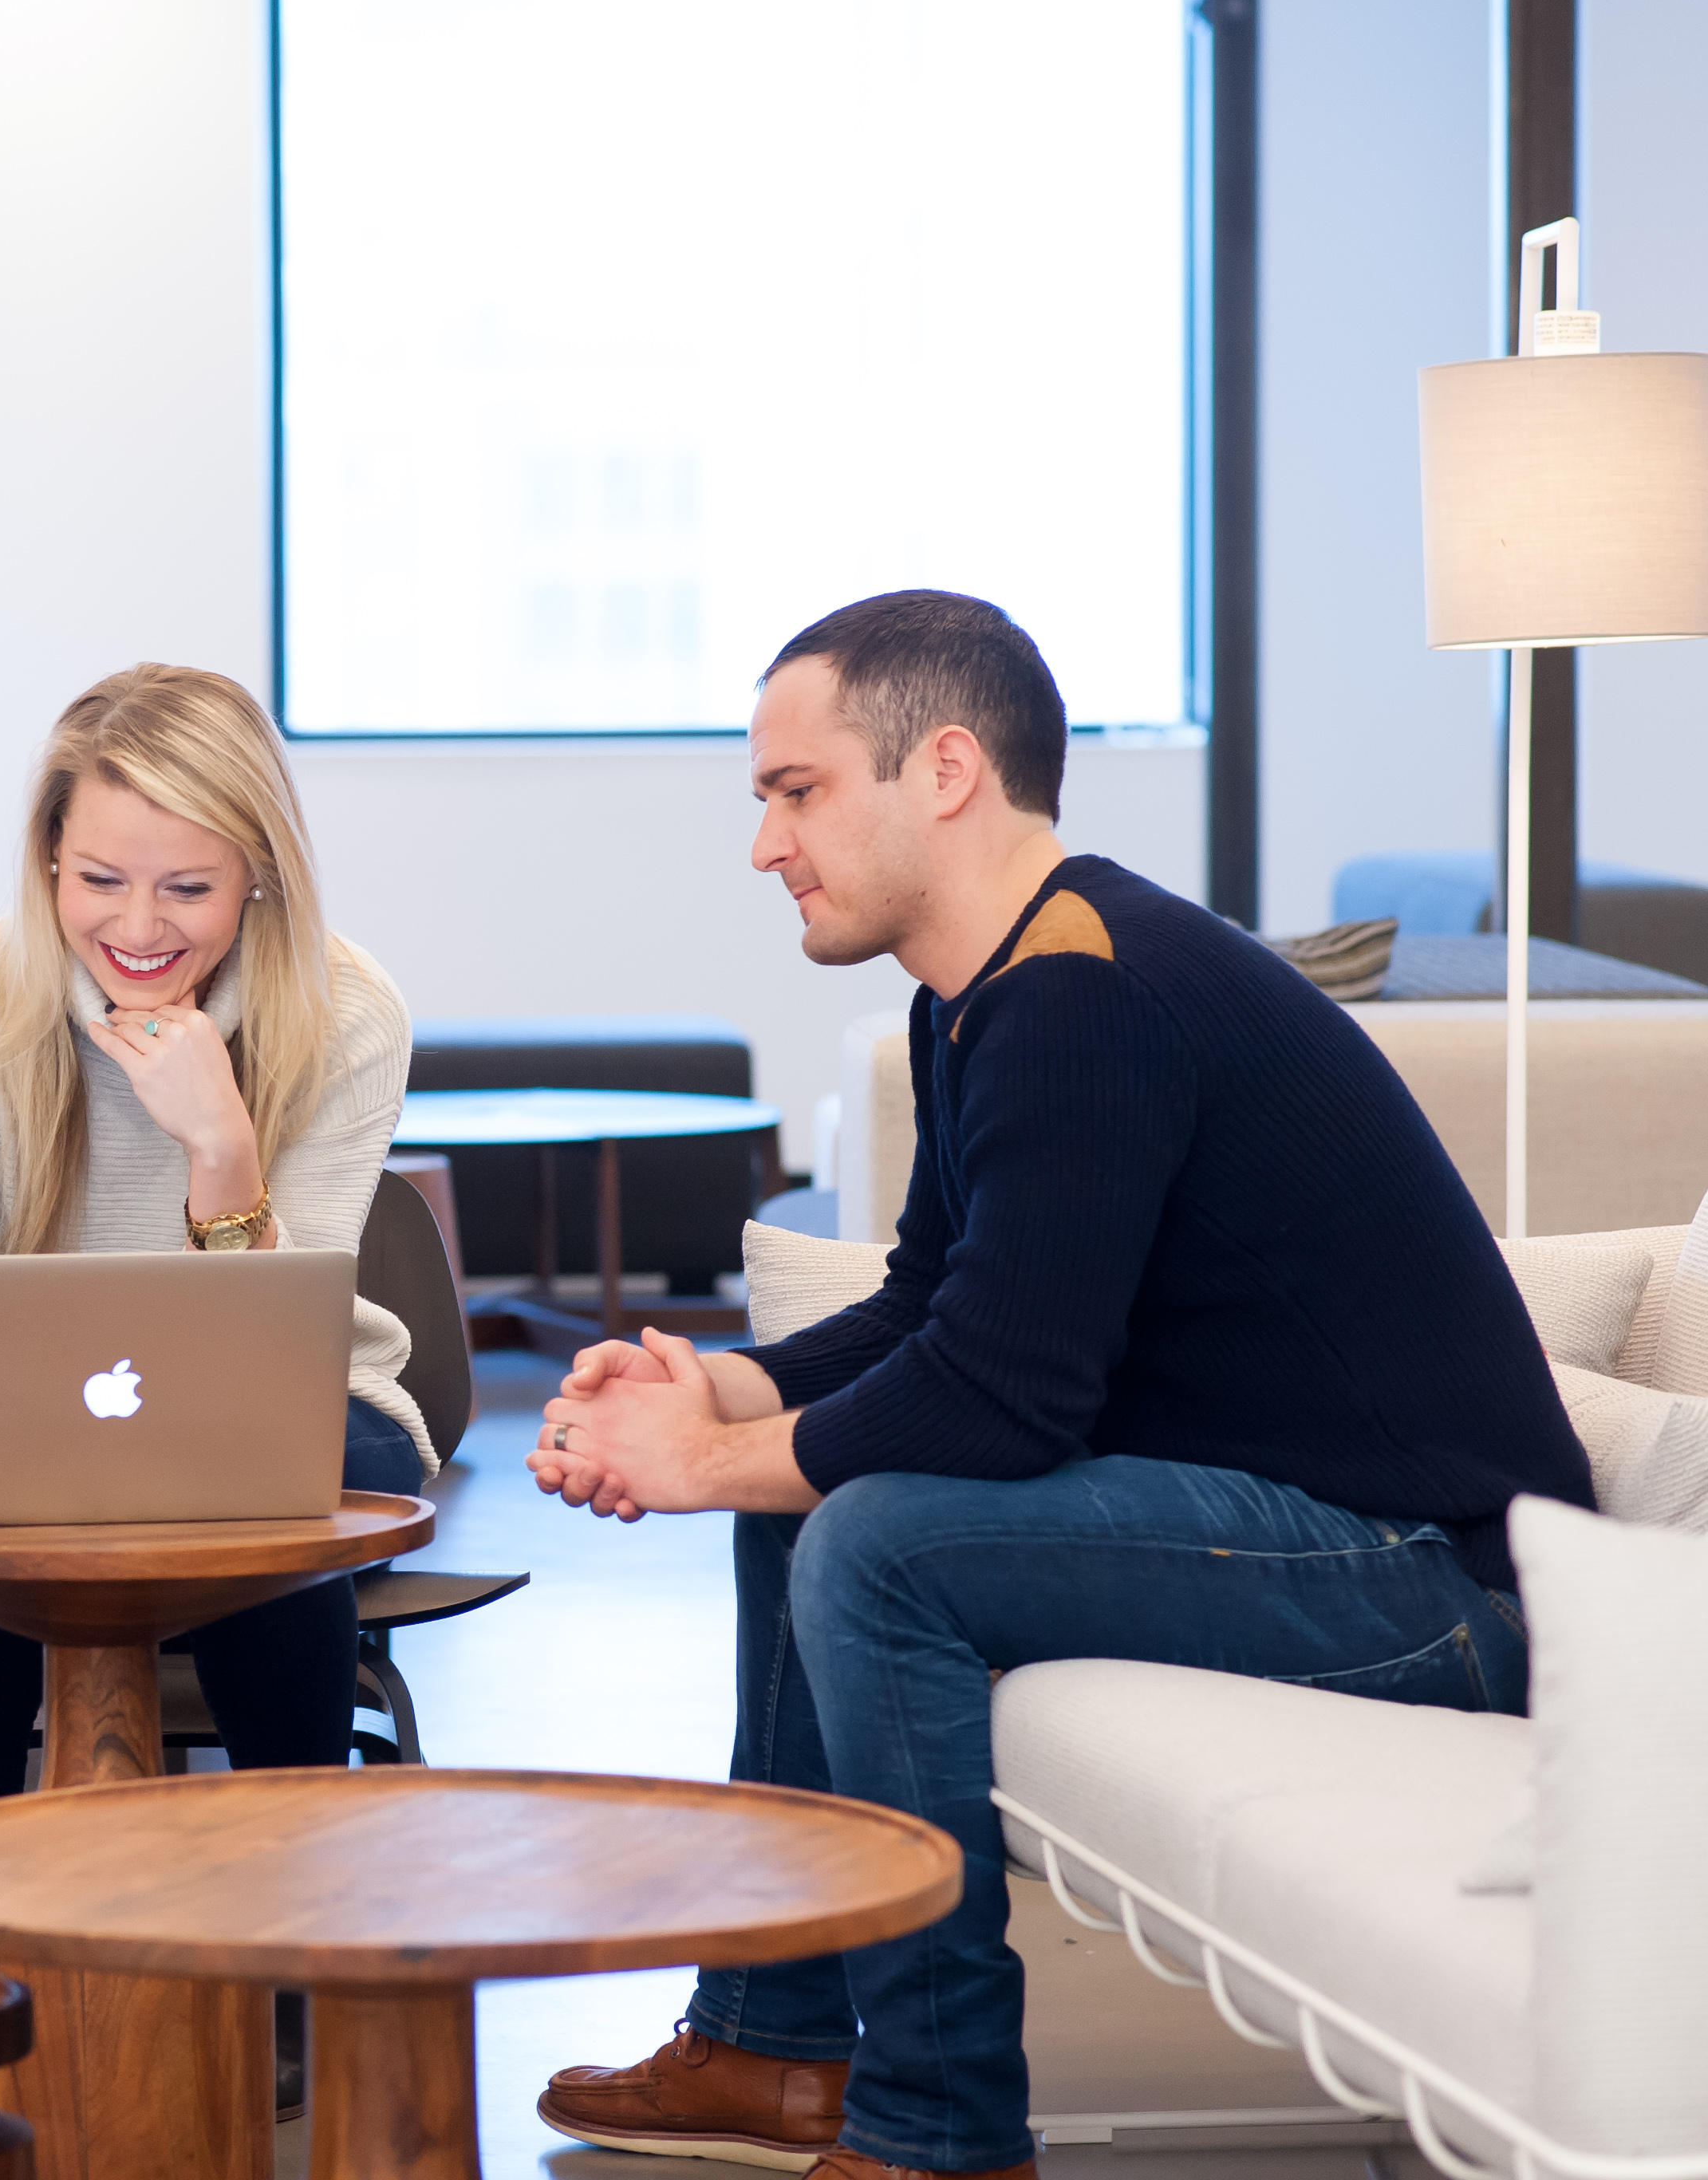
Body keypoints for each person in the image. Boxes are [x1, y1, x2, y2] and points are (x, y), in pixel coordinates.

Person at [526, 589, 1592, 2180]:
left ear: (941, 770)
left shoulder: (1087, 989)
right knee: (804, 1500)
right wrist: (726, 1388)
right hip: (1308, 1530)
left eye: (792, 791)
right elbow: (929, 1310)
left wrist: (697, 1459)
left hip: (1429, 1582)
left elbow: (1002, 1401)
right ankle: (772, 2044)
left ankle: (940, 2133)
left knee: (869, 1535)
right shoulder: (983, 992)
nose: (764, 845)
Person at [0, 661, 436, 1804]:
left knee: (254, 1491)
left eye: (188, 887)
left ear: (258, 877)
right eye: (98, 878)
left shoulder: (346, 1011)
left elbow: (279, 1360)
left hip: (301, 1410)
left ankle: (288, 1891)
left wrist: (221, 1153)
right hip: (11, 1428)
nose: (137, 929)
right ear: (49, 859)